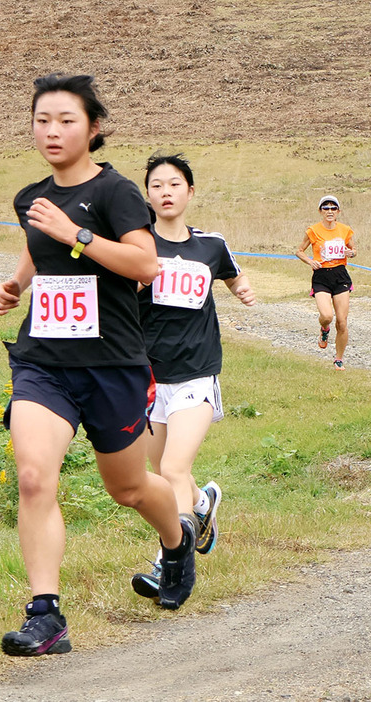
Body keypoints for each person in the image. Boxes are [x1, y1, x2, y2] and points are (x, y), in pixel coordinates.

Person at [0, 75, 198, 656]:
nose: (52, 131)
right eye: (41, 120)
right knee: (33, 477)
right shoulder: (31, 197)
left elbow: (146, 265)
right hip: (44, 360)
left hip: (111, 364)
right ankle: (45, 616)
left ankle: (177, 541)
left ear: (94, 128)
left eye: (66, 120)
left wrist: (76, 233)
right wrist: (16, 284)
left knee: (128, 487)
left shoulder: (117, 193)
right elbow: (40, 247)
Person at [131, 153, 255, 601]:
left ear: (190, 192)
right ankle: (203, 506)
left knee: (172, 467)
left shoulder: (211, 245)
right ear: (147, 194)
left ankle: (169, 566)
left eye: (175, 184)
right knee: (163, 479)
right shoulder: (134, 246)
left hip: (196, 374)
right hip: (146, 379)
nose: (166, 192)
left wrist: (241, 290)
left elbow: (232, 275)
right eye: (157, 185)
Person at [296, 195, 357, 370]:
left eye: (333, 208)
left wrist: (351, 253)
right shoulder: (313, 230)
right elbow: (299, 251)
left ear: (338, 211)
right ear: (320, 211)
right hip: (321, 276)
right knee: (327, 316)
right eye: (326, 208)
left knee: (342, 321)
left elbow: (353, 250)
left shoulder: (345, 230)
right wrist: (309, 261)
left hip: (340, 275)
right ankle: (325, 329)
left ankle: (338, 359)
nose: (329, 211)